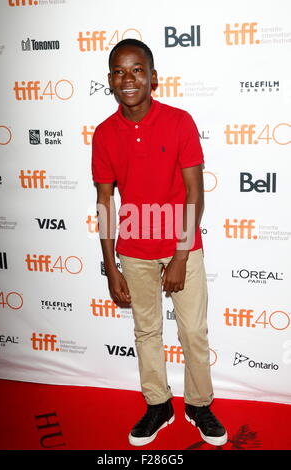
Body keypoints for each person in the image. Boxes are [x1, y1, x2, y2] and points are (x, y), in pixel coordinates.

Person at [92, 38, 227, 447]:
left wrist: (182, 255)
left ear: (153, 77)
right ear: (110, 81)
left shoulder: (179, 121)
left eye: (137, 70)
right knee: (146, 331)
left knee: (193, 332)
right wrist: (111, 267)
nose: (127, 78)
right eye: (119, 71)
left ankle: (199, 405)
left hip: (181, 243)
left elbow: (194, 193)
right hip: (134, 249)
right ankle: (158, 404)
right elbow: (104, 201)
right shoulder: (103, 134)